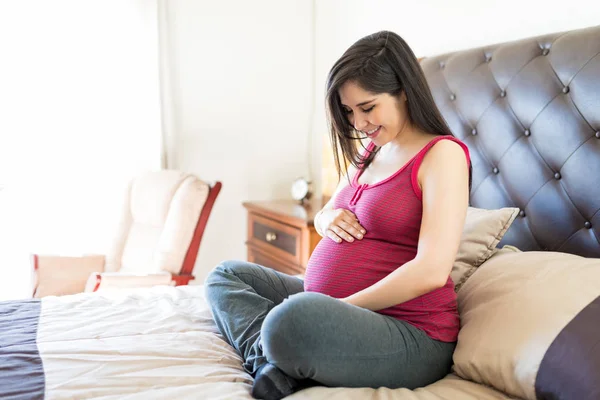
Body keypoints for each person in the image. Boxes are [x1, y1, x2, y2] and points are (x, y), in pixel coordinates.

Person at [205, 30, 472, 400]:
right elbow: (329, 211)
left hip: (410, 332)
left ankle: (281, 351)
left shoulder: (442, 155)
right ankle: (267, 362)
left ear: (405, 90)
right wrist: (324, 220)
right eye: (348, 111)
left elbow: (432, 270)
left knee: (290, 321)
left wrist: (329, 309)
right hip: (334, 309)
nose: (358, 124)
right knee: (225, 276)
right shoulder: (373, 152)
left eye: (367, 107)